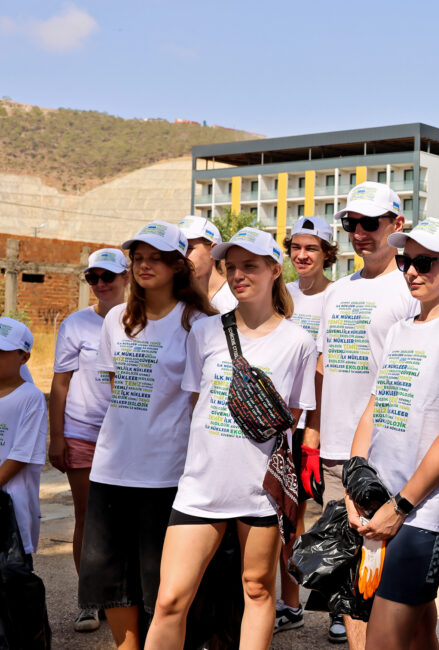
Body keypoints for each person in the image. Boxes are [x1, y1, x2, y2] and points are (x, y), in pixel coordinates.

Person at [146, 227, 317, 650]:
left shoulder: (299, 342)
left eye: (251, 266)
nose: (239, 274)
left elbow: (292, 418)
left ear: (275, 270)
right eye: (232, 266)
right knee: (169, 600)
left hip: (259, 490)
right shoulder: (204, 332)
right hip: (200, 486)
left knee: (258, 590)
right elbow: (194, 407)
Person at [344, 217, 439, 649]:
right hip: (380, 504)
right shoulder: (399, 329)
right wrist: (356, 489)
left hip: (422, 513)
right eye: (407, 260)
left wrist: (400, 505)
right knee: (418, 638)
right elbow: (374, 410)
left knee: (383, 642)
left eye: (425, 262)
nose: (412, 271)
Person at [78, 221, 215, 650]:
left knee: (160, 584)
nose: (144, 265)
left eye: (155, 257)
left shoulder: (198, 323)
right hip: (112, 466)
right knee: (111, 577)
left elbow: (199, 402)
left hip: (167, 473)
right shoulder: (117, 318)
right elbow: (117, 385)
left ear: (178, 265)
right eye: (138, 258)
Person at [308, 182, 418, 644]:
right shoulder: (338, 291)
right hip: (337, 455)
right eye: (352, 224)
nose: (359, 233)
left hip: (386, 456)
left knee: (394, 585)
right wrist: (311, 439)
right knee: (350, 581)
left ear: (397, 224)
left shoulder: (410, 287)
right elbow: (322, 365)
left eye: (370, 224)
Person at [48, 248, 131, 633]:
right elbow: (60, 384)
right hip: (83, 433)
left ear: (126, 277)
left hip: (129, 436)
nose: (100, 284)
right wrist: (57, 436)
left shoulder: (141, 320)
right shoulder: (75, 324)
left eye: (107, 276)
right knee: (88, 518)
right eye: (92, 278)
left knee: (129, 520)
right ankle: (89, 600)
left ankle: (130, 597)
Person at [274, 215, 338, 633]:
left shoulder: (339, 296)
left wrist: (313, 431)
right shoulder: (284, 295)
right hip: (284, 426)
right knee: (288, 521)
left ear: (327, 254)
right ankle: (292, 604)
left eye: (311, 248)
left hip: (328, 425)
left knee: (335, 519)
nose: (302, 255)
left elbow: (324, 368)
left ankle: (340, 608)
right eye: (296, 247)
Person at [0, 317, 48, 558]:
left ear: (24, 357)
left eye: (2, 351)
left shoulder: (31, 398)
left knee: (11, 577)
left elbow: (20, 455)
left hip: (11, 506)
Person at [180, 215, 237, 313]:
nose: (181, 255)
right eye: (179, 248)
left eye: (189, 248)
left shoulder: (236, 298)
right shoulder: (176, 299)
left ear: (213, 250)